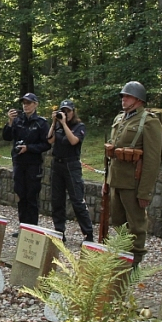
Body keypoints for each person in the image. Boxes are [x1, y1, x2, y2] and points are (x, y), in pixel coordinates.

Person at [104, 81, 162, 269]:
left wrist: (144, 192)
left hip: (134, 182)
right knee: (118, 222)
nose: (123, 99)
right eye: (123, 96)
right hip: (116, 180)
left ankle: (135, 263)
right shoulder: (120, 119)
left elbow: (153, 159)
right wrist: (107, 181)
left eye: (127, 96)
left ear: (138, 99)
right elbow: (110, 154)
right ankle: (122, 258)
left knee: (136, 225)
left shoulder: (149, 122)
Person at [48, 99, 95, 242]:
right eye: (63, 111)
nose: (65, 114)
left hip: (71, 165)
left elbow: (73, 141)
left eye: (68, 111)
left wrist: (63, 124)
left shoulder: (79, 126)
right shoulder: (58, 125)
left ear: (73, 112)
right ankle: (59, 231)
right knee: (57, 200)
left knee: (77, 200)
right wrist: (54, 122)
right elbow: (49, 140)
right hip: (58, 165)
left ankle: (88, 233)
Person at [3, 92, 51, 228]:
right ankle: (22, 226)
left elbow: (46, 144)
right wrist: (10, 122)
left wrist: (29, 148)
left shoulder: (41, 122)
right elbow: (6, 137)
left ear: (35, 104)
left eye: (28, 103)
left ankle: (32, 228)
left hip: (33, 164)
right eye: (24, 103)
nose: (26, 106)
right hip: (19, 163)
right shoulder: (17, 120)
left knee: (31, 196)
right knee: (20, 195)